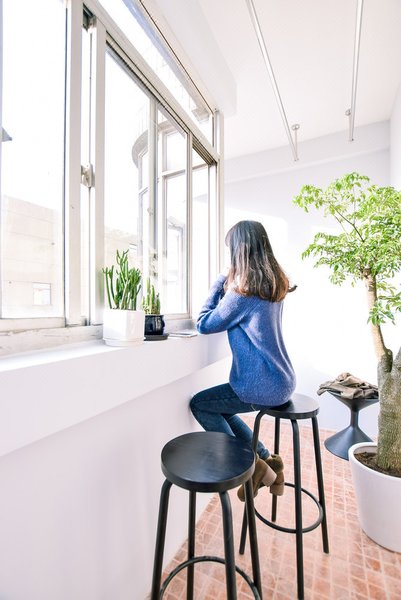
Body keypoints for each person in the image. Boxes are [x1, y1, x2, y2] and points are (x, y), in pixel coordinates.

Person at [190, 220, 296, 499]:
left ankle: (251, 466)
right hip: (283, 380)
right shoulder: (273, 287)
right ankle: (267, 460)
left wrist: (219, 282)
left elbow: (203, 324)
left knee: (200, 405)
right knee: (222, 409)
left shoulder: (242, 293)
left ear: (240, 251)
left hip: (261, 386)